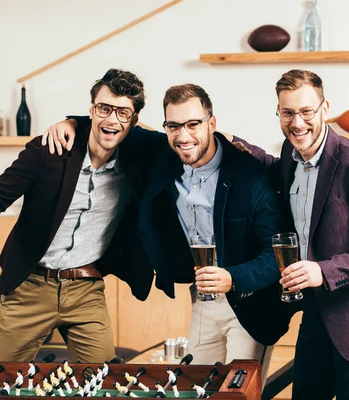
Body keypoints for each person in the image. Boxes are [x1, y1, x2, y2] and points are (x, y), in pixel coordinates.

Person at [43, 85, 297, 384]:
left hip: (250, 303)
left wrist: (232, 277)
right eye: (174, 126)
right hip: (202, 298)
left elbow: (277, 255)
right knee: (194, 386)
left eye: (193, 124)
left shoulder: (251, 175)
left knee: (237, 391)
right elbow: (116, 125)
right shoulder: (163, 154)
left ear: (211, 124)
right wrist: (71, 123)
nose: (184, 136)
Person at [0, 69, 161, 363]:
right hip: (30, 287)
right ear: (92, 110)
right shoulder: (49, 149)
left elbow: (180, 142)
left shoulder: (138, 160)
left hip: (86, 289)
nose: (112, 119)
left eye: (123, 113)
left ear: (134, 120)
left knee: (102, 384)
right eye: (104, 108)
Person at [232, 69, 349, 399]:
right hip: (316, 313)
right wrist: (237, 146)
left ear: (325, 108)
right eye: (287, 113)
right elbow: (276, 170)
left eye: (306, 112)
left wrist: (322, 271)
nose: (297, 123)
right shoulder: (289, 153)